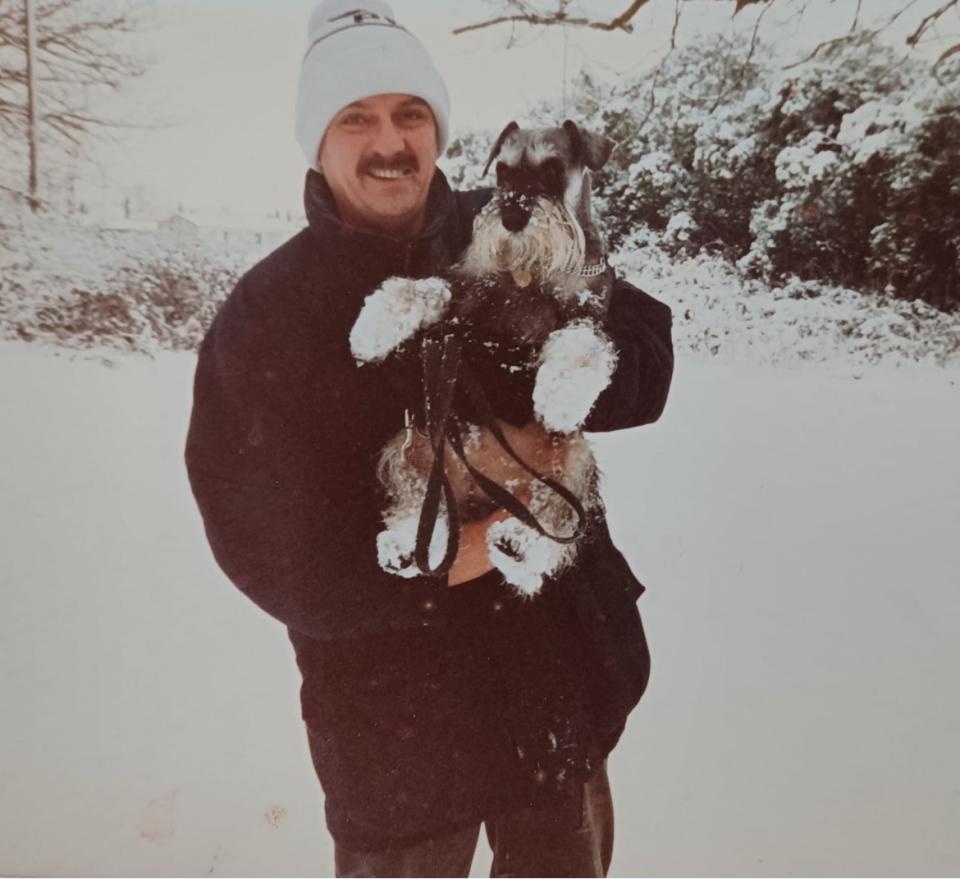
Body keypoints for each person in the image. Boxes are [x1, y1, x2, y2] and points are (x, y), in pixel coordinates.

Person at [184, 1, 674, 875]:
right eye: (356, 117)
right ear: (317, 140)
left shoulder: (511, 221)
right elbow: (265, 547)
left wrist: (581, 375)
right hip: (398, 743)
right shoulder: (266, 317)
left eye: (411, 113)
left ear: (440, 129)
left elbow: (639, 330)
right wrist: (463, 553)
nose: (390, 141)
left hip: (552, 694)